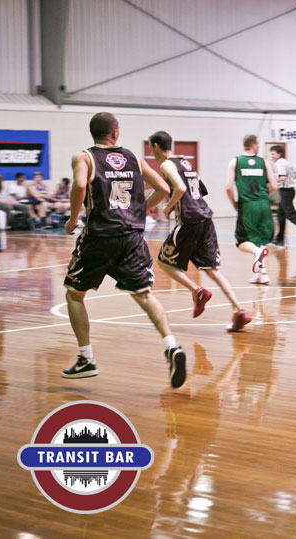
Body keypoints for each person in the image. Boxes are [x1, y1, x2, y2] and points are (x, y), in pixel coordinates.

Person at [62, 112, 188, 388]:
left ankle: (86, 358)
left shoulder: (84, 157)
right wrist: (138, 209)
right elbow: (163, 188)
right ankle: (171, 346)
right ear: (115, 133)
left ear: (93, 133)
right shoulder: (134, 158)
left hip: (99, 237)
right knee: (144, 294)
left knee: (74, 294)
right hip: (131, 238)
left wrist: (72, 220)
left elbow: (80, 184)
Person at [149, 130, 252, 332]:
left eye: (152, 149)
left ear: (156, 146)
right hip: (206, 218)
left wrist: (169, 206)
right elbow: (200, 190)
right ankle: (239, 310)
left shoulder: (166, 164)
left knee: (164, 262)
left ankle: (197, 291)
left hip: (189, 221)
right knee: (212, 270)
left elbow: (180, 188)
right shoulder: (185, 162)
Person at [225, 134, 278, 285]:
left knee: (241, 241)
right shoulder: (264, 162)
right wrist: (263, 196)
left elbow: (228, 187)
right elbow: (274, 186)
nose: (259, 147)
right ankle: (263, 274)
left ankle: (256, 252)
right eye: (258, 144)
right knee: (260, 239)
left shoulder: (235, 162)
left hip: (247, 205)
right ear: (253, 145)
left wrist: (234, 204)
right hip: (263, 205)